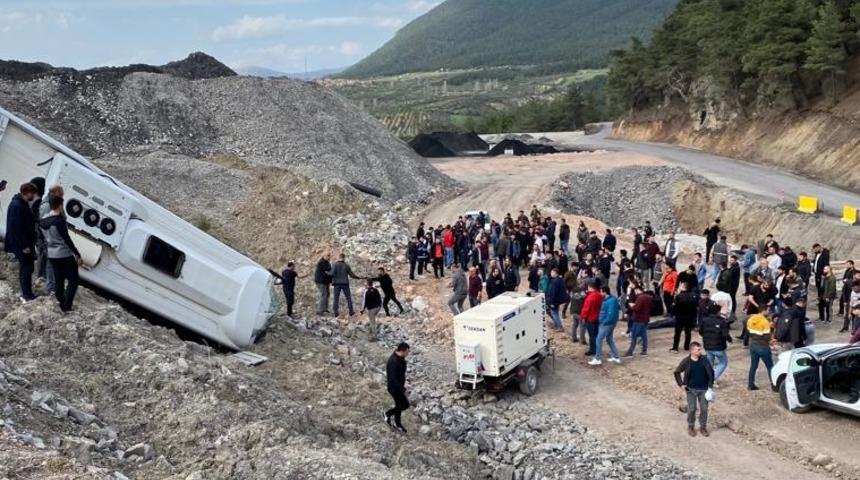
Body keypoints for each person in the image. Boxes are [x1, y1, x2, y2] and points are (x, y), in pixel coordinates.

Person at [39, 195, 82, 312]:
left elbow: (41, 237)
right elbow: (66, 239)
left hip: (51, 254)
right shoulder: (59, 221)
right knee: (73, 280)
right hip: (63, 254)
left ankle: (60, 304)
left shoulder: (42, 221)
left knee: (59, 280)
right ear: (60, 205)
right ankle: (67, 307)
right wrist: (77, 254)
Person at [4, 182, 39, 302]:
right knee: (27, 268)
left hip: (23, 242)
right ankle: (27, 294)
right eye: (33, 194)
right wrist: (24, 245)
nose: (34, 197)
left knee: (27, 268)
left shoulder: (20, 203)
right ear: (28, 193)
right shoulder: (18, 205)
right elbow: (16, 227)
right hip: (22, 244)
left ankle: (27, 293)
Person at [673, 342, 714, 437]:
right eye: (698, 349)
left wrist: (710, 386)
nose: (700, 351)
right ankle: (691, 426)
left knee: (704, 409)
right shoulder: (686, 361)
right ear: (692, 351)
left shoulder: (704, 359)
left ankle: (703, 427)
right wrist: (681, 384)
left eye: (700, 349)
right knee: (692, 409)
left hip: (704, 389)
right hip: (691, 390)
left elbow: (711, 373)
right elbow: (677, 372)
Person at [699, 302, 731, 385]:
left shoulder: (704, 320)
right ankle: (712, 378)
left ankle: (707, 378)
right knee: (723, 362)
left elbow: (700, 331)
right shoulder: (722, 321)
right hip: (719, 346)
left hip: (707, 345)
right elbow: (725, 335)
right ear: (718, 311)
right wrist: (729, 339)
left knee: (709, 363)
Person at [590, 286, 621, 365]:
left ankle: (597, 358)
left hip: (607, 324)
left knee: (598, 339)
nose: (600, 293)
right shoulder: (610, 299)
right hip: (609, 323)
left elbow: (611, 314)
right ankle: (616, 356)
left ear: (604, 292)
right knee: (609, 339)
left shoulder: (610, 301)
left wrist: (604, 322)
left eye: (601, 292)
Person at [384, 342, 410, 433]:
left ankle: (398, 424)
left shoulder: (400, 358)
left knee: (399, 405)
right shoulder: (393, 362)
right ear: (402, 351)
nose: (408, 353)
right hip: (394, 388)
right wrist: (403, 389)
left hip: (398, 387)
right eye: (407, 352)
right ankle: (387, 414)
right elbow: (393, 379)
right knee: (405, 405)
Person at [746, 313, 774, 391]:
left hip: (753, 345)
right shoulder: (765, 322)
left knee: (753, 366)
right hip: (763, 346)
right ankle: (774, 385)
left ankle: (750, 384)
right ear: (765, 310)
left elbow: (748, 331)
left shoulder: (751, 319)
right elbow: (767, 337)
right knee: (770, 366)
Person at [625, 286, 652, 357]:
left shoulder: (640, 298)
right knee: (644, 335)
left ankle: (630, 352)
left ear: (637, 290)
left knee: (634, 336)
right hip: (645, 318)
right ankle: (644, 351)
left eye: (635, 291)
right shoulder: (648, 297)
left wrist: (632, 306)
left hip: (638, 319)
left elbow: (637, 309)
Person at [672, 282, 698, 352]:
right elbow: (695, 308)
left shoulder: (678, 296)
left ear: (684, 287)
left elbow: (674, 307)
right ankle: (686, 346)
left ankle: (675, 347)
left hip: (680, 317)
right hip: (689, 318)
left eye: (681, 286)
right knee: (688, 333)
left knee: (677, 333)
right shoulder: (693, 296)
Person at [580, 281, 604, 355]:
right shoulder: (599, 295)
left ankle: (593, 350)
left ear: (590, 287)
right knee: (596, 334)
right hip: (597, 317)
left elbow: (586, 308)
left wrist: (583, 316)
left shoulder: (591, 297)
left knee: (592, 335)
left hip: (590, 318)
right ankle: (596, 348)